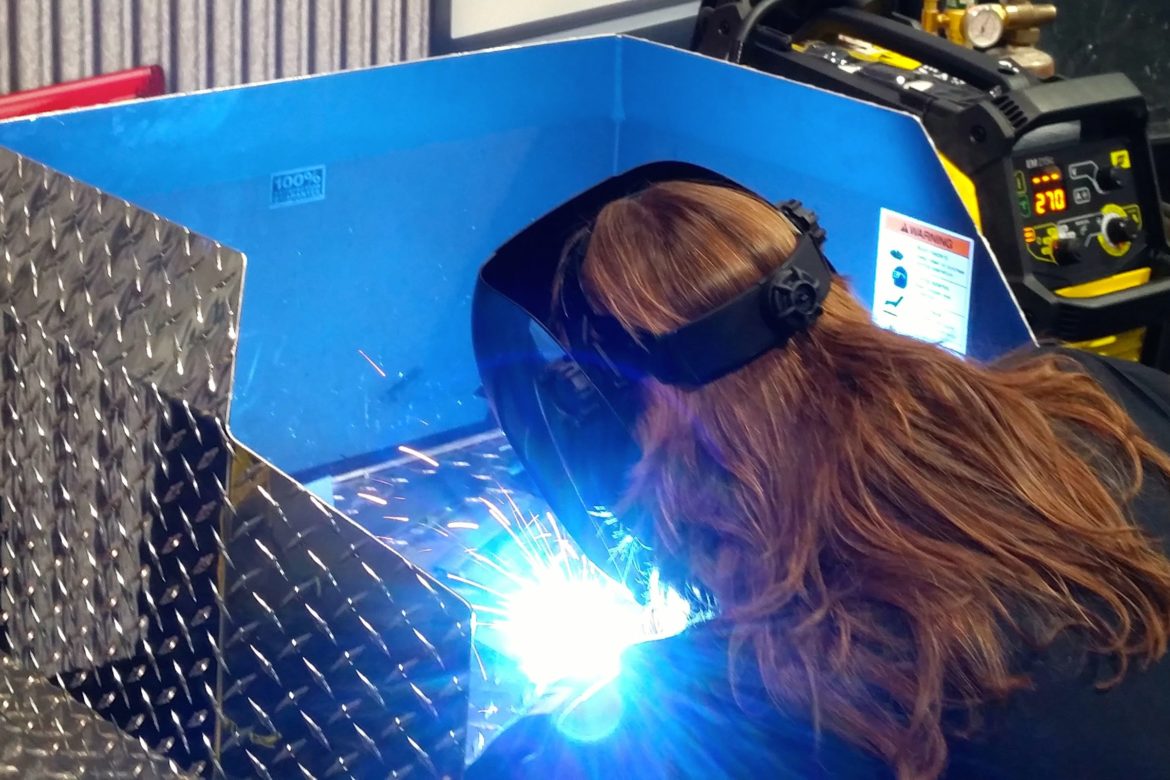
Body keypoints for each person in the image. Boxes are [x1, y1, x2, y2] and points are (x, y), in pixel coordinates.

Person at [467, 180, 1170, 779]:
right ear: (831, 292)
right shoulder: (1100, 401)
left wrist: (565, 722)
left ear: (644, 420)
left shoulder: (743, 697)